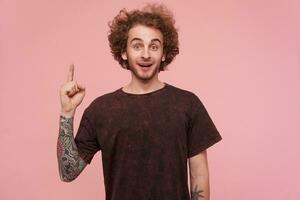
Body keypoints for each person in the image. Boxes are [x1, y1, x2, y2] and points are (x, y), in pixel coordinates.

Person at [57, 3, 222, 200]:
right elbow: (68, 172)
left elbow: (199, 175)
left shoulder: (188, 104)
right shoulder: (100, 110)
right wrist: (67, 114)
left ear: (163, 53)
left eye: (154, 46)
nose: (145, 54)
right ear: (124, 52)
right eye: (137, 45)